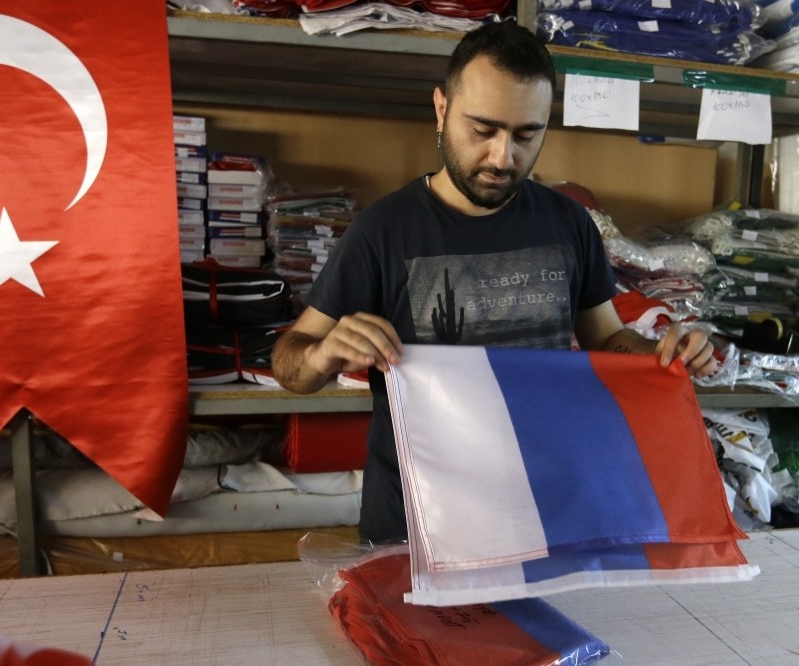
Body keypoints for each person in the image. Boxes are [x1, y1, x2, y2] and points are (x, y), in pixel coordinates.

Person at [270, 20, 717, 545]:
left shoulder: (569, 224)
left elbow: (607, 340)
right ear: (441, 110)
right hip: (416, 530)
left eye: (526, 135)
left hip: (542, 515)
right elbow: (289, 366)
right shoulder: (383, 231)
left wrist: (663, 355)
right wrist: (324, 352)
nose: (503, 157)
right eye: (482, 130)